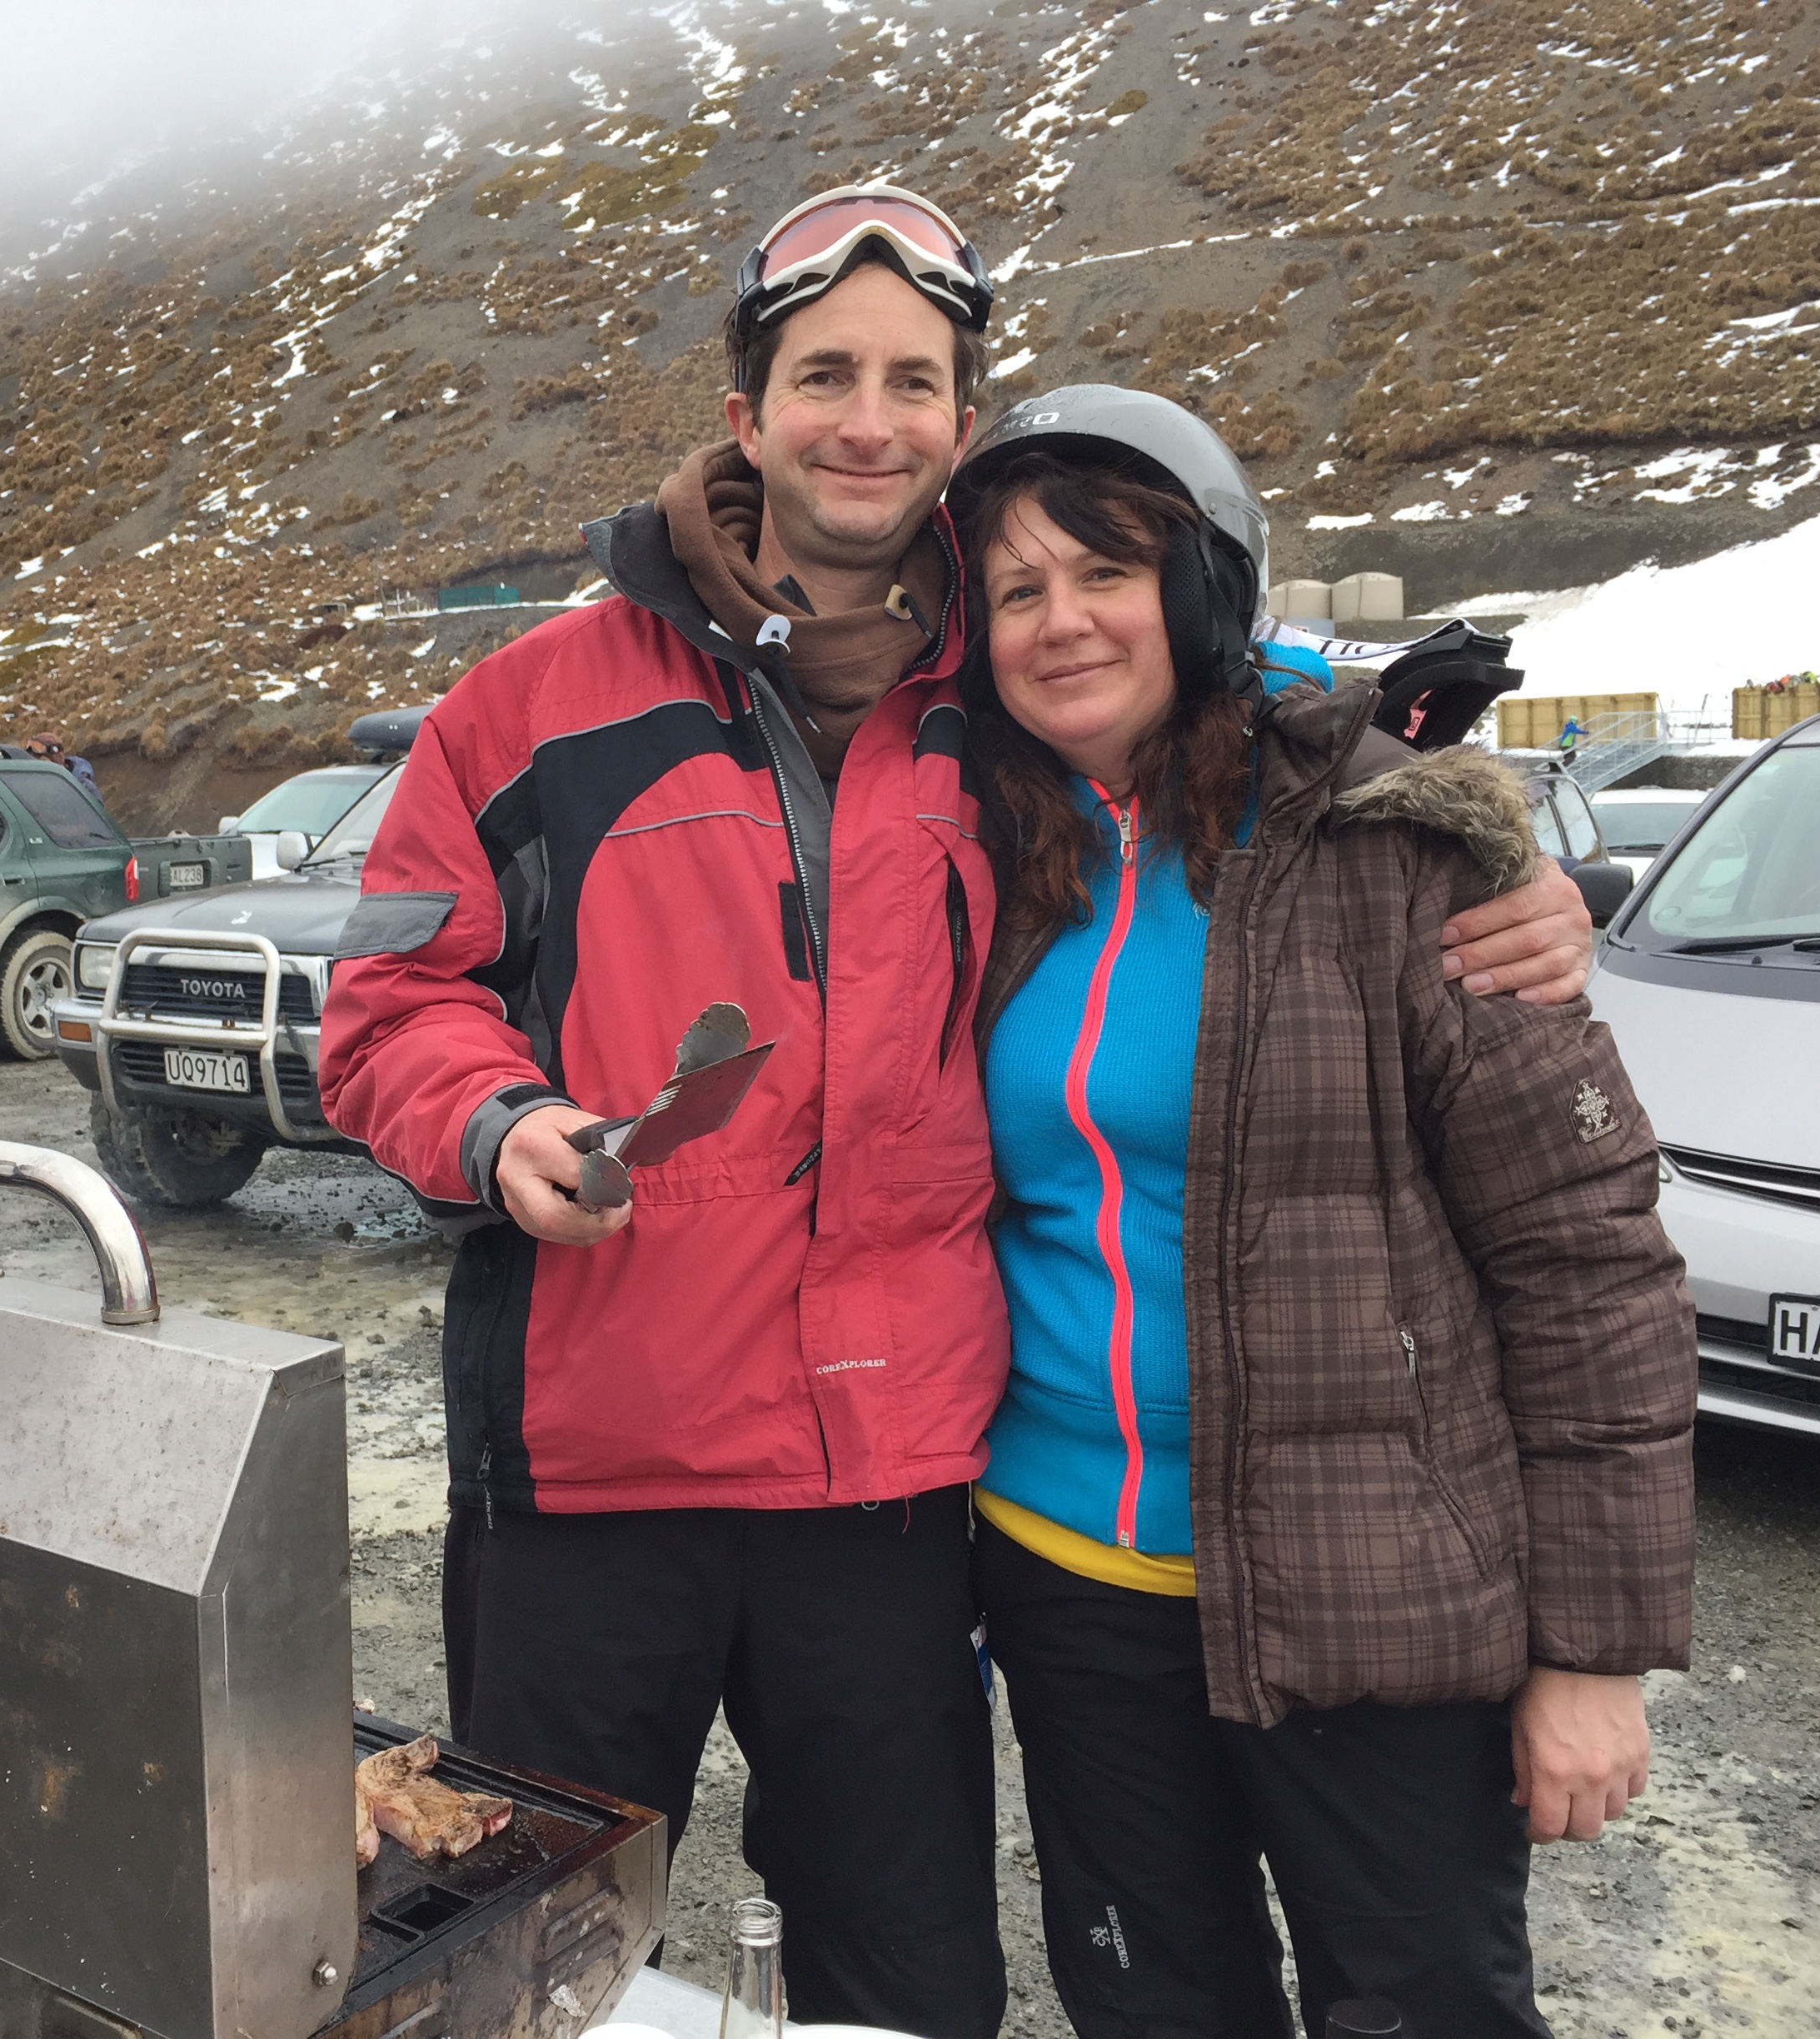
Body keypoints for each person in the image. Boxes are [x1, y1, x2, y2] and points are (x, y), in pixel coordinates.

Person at [317, 185, 1593, 2039]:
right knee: (527, 1971)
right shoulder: (529, 709)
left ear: (959, 422)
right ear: (746, 414)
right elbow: (386, 1005)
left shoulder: (1006, 685)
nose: (870, 418)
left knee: (910, 1985)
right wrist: (495, 1117)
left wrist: (1485, 835)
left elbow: (1252, 685)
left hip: (892, 1490)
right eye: (824, 374)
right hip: (595, 1479)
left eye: (914, 381)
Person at [945, 388, 1694, 2037]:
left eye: (1108, 572)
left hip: (1371, 1589)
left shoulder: (1386, 841)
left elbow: (1586, 1259)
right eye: (1016, 590)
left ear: (1204, 588)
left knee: (1419, 2011)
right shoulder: (993, 854)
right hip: (1071, 1583)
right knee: (1155, 2011)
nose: (1062, 622)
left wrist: (1592, 1655)